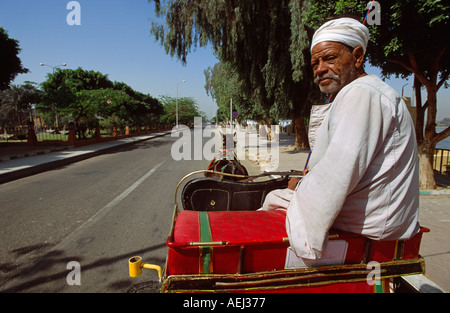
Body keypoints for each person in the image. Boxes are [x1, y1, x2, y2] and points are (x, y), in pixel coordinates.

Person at [261, 17, 420, 260]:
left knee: (273, 199)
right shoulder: (358, 92)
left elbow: (338, 172)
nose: (320, 69)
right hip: (374, 218)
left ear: (357, 56)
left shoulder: (361, 93)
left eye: (330, 58)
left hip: (370, 226)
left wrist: (302, 189)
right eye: (315, 63)